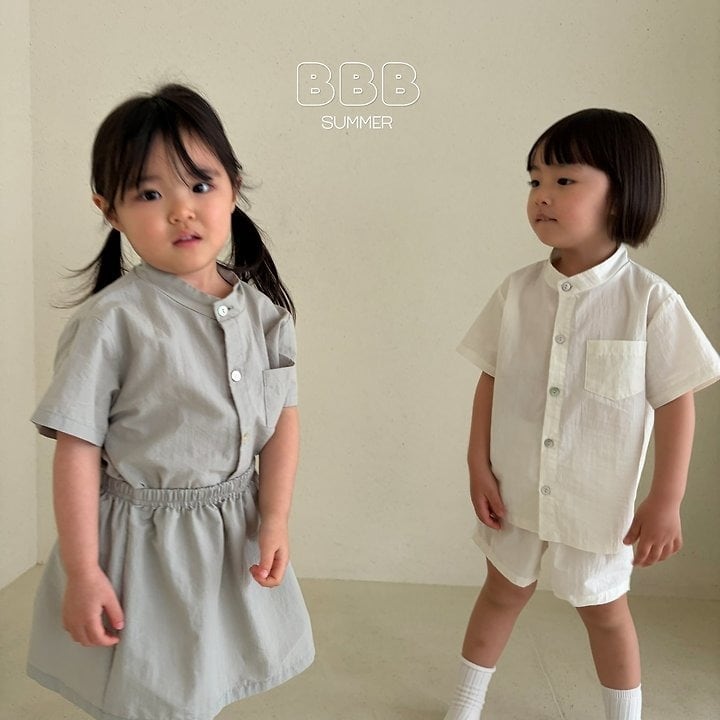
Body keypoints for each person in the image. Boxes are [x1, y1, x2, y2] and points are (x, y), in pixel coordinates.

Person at [27, 83, 314, 720]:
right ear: (110, 211)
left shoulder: (265, 314)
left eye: (200, 185)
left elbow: (282, 423)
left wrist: (274, 518)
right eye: (150, 194)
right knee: (156, 690)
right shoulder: (112, 323)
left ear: (233, 187)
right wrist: (82, 570)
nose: (182, 211)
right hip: (146, 548)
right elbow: (77, 450)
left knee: (208, 674)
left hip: (231, 532)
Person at [445, 109, 720, 720]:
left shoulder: (649, 301)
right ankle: (462, 707)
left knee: (605, 612)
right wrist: (477, 465)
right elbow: (490, 378)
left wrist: (666, 499)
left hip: (598, 501)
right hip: (515, 487)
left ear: (620, 195)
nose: (542, 195)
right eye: (534, 180)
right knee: (500, 593)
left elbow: (677, 401)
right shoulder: (517, 292)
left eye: (564, 180)